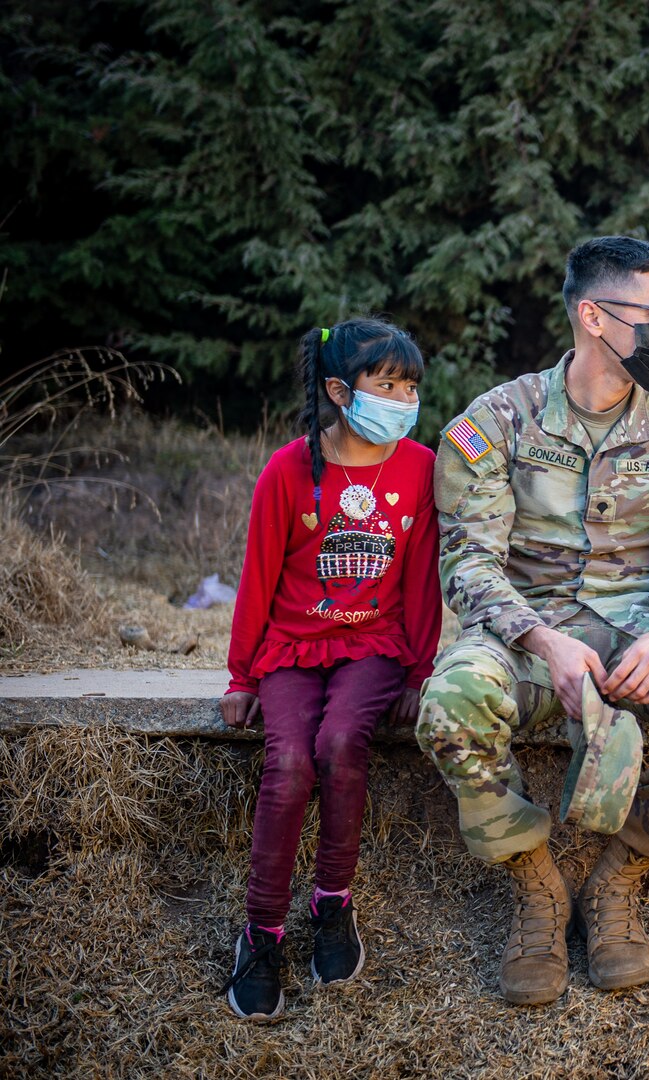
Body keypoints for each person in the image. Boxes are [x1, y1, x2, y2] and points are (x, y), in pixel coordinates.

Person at [416, 236, 649, 1005]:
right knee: (450, 705)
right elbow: (468, 563)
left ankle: (620, 879)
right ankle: (536, 887)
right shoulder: (495, 423)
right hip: (530, 635)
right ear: (593, 316)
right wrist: (542, 641)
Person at [220, 319, 440, 1021]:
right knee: (288, 763)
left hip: (375, 647)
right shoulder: (288, 470)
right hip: (291, 647)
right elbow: (257, 580)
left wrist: (417, 671)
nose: (403, 398)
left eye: (410, 385)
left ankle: (333, 901)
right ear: (340, 390)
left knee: (341, 742)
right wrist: (241, 678)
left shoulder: (420, 467)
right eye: (388, 384)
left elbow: (419, 582)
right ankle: (262, 931)